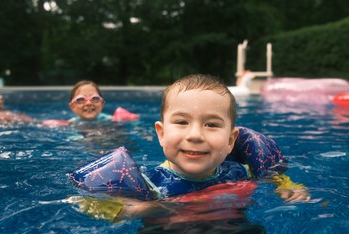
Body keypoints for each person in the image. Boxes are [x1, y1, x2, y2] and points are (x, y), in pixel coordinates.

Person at [72, 74, 310, 225]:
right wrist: (139, 209)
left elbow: (274, 178)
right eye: (182, 122)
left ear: (231, 140)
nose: (195, 135)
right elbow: (96, 206)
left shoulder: (238, 170)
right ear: (161, 134)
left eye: (211, 124)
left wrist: (287, 185)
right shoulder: (151, 183)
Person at [42, 80, 138, 127]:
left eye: (95, 99)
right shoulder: (72, 124)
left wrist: (133, 122)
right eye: (80, 100)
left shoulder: (111, 120)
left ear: (102, 104)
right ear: (72, 106)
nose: (88, 103)